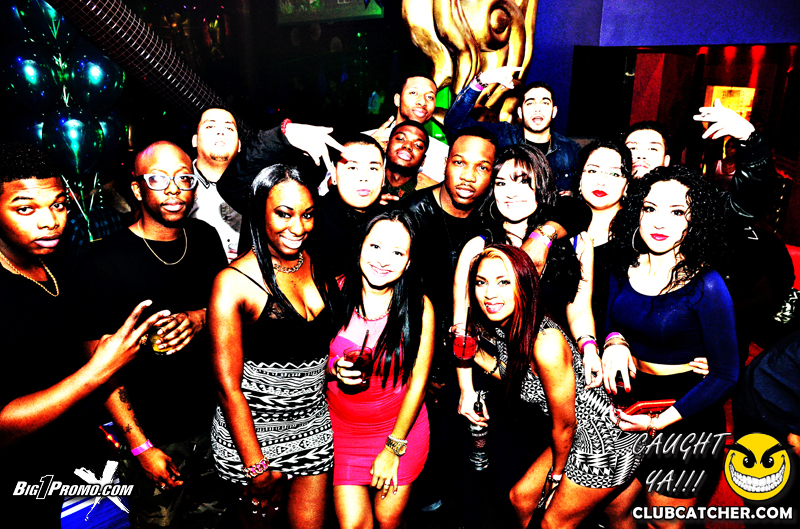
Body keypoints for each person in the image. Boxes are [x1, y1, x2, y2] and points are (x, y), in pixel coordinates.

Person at [0, 143, 165, 527]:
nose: (49, 222)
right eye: (25, 209)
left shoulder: (58, 263)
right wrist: (98, 370)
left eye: (58, 205)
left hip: (61, 467)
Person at [79, 141, 228, 528]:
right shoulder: (101, 262)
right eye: (159, 179)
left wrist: (199, 318)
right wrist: (140, 446)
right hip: (156, 439)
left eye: (184, 178)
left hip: (215, 429)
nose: (174, 189)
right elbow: (98, 370)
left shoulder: (205, 238)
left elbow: (228, 313)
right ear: (137, 188)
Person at [466, 245, 648, 529]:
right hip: (577, 434)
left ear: (524, 284)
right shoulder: (509, 324)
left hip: (604, 440)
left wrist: (556, 476)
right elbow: (523, 377)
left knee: (554, 523)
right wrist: (477, 355)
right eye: (481, 282)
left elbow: (565, 424)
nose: (490, 293)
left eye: (503, 282)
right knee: (521, 500)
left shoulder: (545, 343)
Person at [603, 165, 740, 527]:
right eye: (650, 208)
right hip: (631, 400)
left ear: (695, 221)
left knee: (663, 522)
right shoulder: (623, 265)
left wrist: (658, 422)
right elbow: (611, 320)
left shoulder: (706, 284)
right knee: (614, 511)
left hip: (686, 412)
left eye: (677, 212)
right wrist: (614, 341)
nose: (659, 222)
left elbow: (726, 374)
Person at [209, 164, 340, 529]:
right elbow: (226, 387)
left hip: (312, 425)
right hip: (252, 439)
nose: (298, 228)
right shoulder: (233, 283)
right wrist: (256, 468)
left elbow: (313, 348)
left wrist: (336, 368)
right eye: (284, 214)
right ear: (259, 212)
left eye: (307, 215)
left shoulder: (315, 263)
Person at [327, 210, 434, 529]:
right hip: (344, 434)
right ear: (360, 245)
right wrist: (333, 368)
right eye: (375, 246)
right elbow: (307, 361)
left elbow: (418, 383)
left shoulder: (419, 307)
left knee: (388, 520)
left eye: (398, 253)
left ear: (409, 262)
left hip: (399, 430)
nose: (383, 260)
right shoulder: (331, 292)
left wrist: (393, 447)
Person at [444, 66, 581, 195]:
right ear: (520, 112)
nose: (537, 108)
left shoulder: (571, 150)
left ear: (554, 112)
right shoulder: (502, 134)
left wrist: (572, 197)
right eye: (530, 103)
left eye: (545, 103)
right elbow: (455, 124)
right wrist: (482, 80)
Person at [190, 107, 243, 260]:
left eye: (229, 128)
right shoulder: (179, 187)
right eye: (210, 126)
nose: (220, 132)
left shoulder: (257, 187)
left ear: (239, 145)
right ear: (194, 140)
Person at [380, 121, 438, 202]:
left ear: (423, 160)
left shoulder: (429, 198)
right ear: (386, 146)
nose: (408, 146)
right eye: (400, 139)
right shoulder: (366, 180)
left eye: (418, 145)